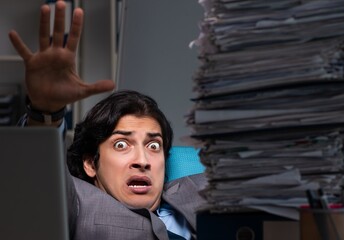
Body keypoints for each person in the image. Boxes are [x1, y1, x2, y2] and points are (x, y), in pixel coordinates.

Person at [9, 1, 206, 240]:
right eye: (121, 144)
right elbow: (36, 184)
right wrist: (45, 112)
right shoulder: (78, 204)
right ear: (91, 163)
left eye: (154, 146)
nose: (142, 161)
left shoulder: (200, 190)